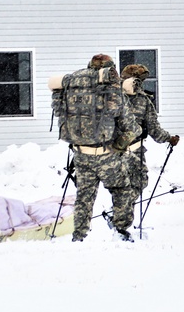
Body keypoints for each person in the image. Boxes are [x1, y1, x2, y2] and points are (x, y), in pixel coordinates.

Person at [55, 54, 141, 242]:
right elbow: (132, 127)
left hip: (80, 153)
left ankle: (79, 236)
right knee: (122, 189)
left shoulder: (73, 87)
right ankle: (121, 230)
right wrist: (120, 143)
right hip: (105, 153)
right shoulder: (111, 89)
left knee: (84, 196)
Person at [119, 64, 180, 226]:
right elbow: (154, 129)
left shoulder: (110, 97)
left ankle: (121, 216)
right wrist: (169, 139)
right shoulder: (142, 100)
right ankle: (121, 214)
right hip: (133, 150)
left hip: (109, 150)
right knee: (139, 181)